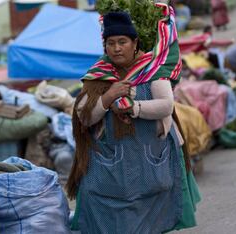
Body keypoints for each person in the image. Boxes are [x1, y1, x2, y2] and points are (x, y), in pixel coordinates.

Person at [66, 5, 200, 233]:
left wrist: (134, 108)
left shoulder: (152, 69)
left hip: (149, 158)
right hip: (110, 166)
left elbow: (166, 105)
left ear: (135, 43)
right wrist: (108, 97)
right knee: (109, 214)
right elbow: (84, 117)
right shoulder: (97, 75)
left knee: (151, 216)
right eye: (110, 43)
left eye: (122, 42)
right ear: (104, 45)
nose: (116, 49)